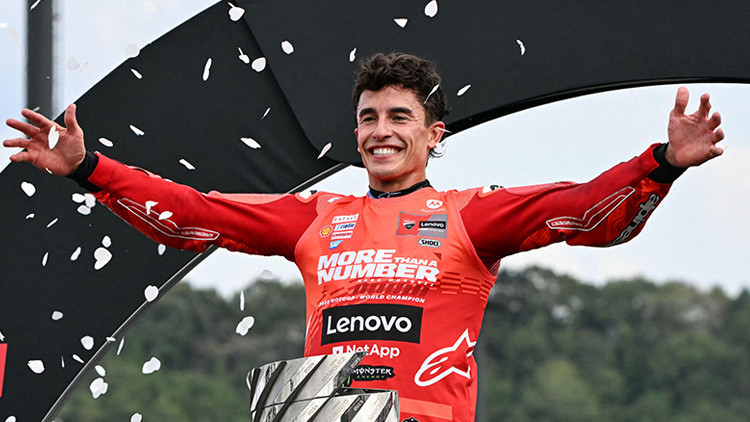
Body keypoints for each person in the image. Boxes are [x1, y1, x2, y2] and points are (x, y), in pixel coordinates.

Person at [4, 53, 724, 422]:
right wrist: (90, 168)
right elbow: (197, 213)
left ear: (434, 135)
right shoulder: (317, 218)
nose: (381, 131)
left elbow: (583, 211)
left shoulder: (471, 216)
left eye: (399, 117)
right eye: (368, 118)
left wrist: (661, 162)